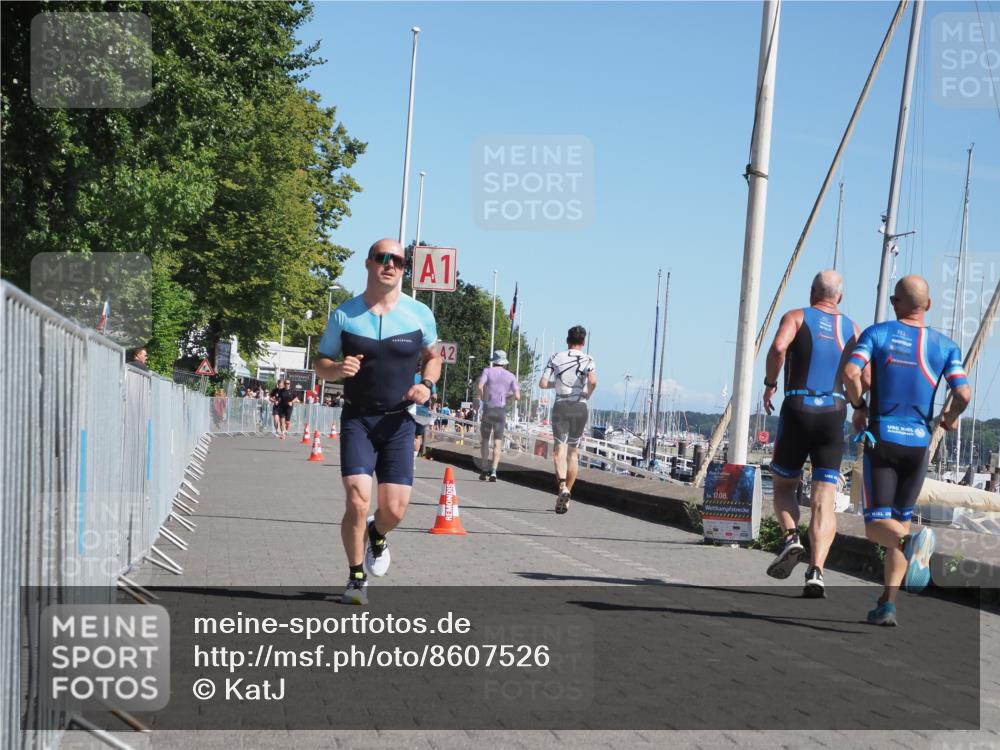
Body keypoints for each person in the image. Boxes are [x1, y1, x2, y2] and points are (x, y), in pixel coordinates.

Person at [314, 239, 440, 606]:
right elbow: (320, 363)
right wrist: (336, 369)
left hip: (400, 422)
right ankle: (355, 578)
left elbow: (433, 357)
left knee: (395, 509)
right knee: (357, 498)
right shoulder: (345, 314)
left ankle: (377, 533)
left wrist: (427, 385)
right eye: (382, 258)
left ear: (404, 268)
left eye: (397, 260)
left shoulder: (419, 314)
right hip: (359, 418)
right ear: (368, 263)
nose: (390, 264)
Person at [843, 275, 971, 626]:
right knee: (897, 525)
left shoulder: (877, 334)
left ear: (895, 303)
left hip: (882, 438)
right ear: (928, 305)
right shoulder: (946, 346)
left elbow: (851, 371)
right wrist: (949, 416)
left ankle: (914, 542)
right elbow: (963, 394)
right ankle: (887, 604)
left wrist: (859, 406)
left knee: (875, 526)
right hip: (918, 445)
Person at [762, 270, 860, 597]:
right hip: (834, 413)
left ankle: (791, 538)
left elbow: (778, 348)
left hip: (798, 407)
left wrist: (770, 383)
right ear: (840, 297)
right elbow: (866, 376)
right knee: (824, 500)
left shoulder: (796, 316)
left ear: (810, 292)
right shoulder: (852, 329)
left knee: (784, 486)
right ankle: (816, 571)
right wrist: (857, 404)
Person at [540, 325, 596, 514]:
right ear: (584, 342)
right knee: (573, 454)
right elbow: (593, 381)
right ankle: (567, 494)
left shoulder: (556, 357)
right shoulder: (588, 359)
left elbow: (542, 383)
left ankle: (562, 487)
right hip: (579, 408)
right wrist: (586, 393)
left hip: (561, 407)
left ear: (567, 340)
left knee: (558, 451)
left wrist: (557, 384)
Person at [476, 350, 520, 481]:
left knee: (484, 441)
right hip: (500, 411)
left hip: (488, 409)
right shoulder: (511, 376)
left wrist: (482, 397)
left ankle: (484, 468)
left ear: (493, 361)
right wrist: (507, 396)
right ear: (504, 362)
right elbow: (517, 396)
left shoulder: (487, 371)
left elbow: (480, 385)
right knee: (497, 443)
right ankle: (494, 471)